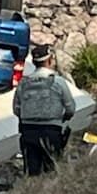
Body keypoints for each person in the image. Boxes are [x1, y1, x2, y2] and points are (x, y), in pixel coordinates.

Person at [12, 43, 76, 177]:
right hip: (51, 130)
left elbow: (16, 109)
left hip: (28, 131)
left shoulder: (24, 83)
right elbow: (70, 108)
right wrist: (63, 117)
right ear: (50, 60)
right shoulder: (58, 82)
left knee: (32, 171)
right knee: (51, 171)